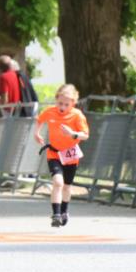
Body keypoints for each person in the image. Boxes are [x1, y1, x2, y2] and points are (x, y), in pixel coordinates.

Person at [34, 84, 90, 228]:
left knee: (66, 186)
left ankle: (64, 211)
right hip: (54, 153)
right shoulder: (50, 111)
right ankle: (56, 215)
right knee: (58, 182)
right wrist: (37, 133)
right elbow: (39, 119)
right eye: (60, 103)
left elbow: (85, 135)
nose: (62, 107)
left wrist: (73, 134)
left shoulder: (77, 115)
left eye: (66, 104)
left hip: (70, 154)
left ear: (73, 103)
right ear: (56, 99)